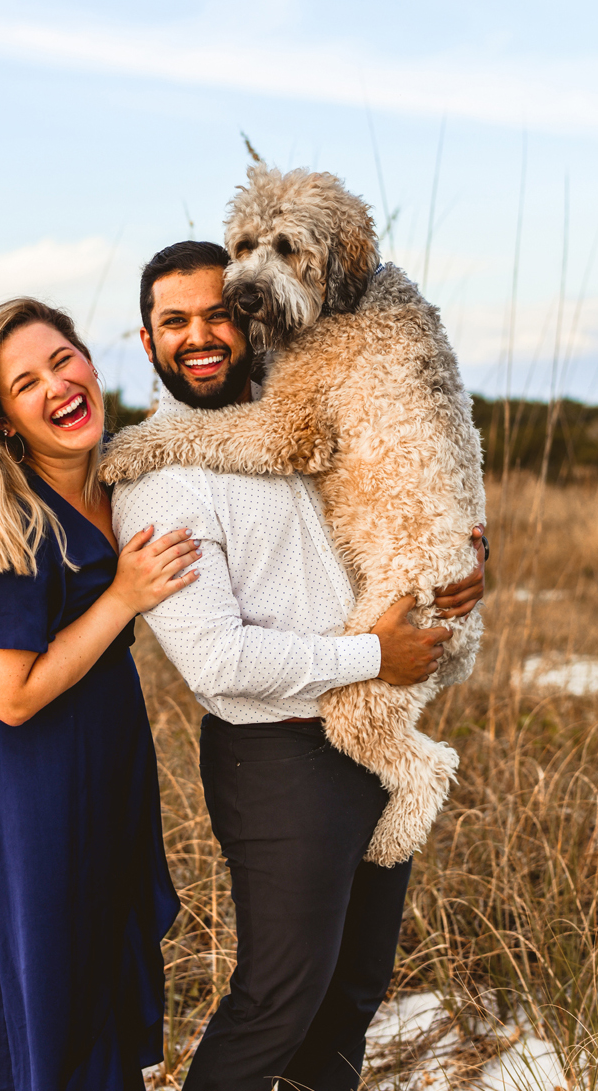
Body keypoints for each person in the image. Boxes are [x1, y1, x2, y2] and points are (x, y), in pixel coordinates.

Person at [110, 241, 487, 1091]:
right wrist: (372, 656)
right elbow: (215, 658)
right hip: (278, 760)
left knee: (350, 995)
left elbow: (399, 483)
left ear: (252, 316)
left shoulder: (298, 415)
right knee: (278, 1000)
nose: (199, 336)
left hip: (366, 743)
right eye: (175, 322)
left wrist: (459, 549)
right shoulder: (161, 475)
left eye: (218, 314)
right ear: (148, 342)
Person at [0, 297, 198, 1090]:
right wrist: (121, 598)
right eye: (24, 383)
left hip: (100, 763)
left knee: (95, 964)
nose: (56, 387)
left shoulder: (123, 478)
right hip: (20, 781)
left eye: (62, 360)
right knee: (41, 986)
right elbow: (9, 694)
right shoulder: (1, 518)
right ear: (3, 419)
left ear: (91, 362)